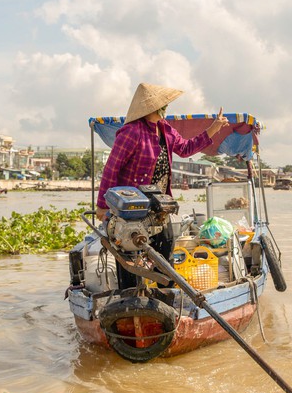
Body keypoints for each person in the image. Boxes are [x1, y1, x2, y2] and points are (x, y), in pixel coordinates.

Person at [95, 82, 230, 287]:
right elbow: (111, 169)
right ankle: (130, 299)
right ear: (151, 108)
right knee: (130, 252)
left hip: (159, 203)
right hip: (132, 206)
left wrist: (213, 129)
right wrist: (102, 206)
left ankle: (164, 295)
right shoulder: (131, 132)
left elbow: (185, 149)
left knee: (166, 243)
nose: (165, 109)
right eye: (162, 105)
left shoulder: (165, 129)